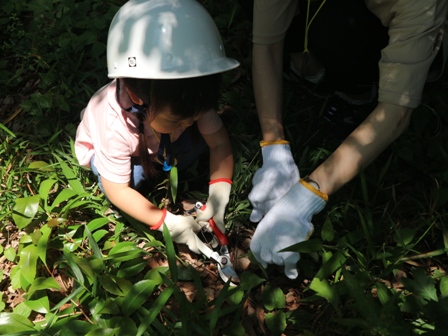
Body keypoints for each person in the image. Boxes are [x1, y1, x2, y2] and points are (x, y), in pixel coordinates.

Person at [247, 0, 448, 279]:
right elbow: (266, 46)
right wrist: (273, 147)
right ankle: (307, 60)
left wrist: (307, 196)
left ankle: (357, 89)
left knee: (340, 31)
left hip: (374, 30)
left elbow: (396, 111)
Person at [75, 0, 239, 254]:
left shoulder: (189, 95)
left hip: (158, 141)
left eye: (193, 117)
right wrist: (165, 221)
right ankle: (133, 167)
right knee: (133, 180)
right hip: (122, 151)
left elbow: (219, 142)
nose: (188, 122)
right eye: (178, 119)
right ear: (136, 96)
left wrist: (219, 196)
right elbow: (117, 190)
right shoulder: (113, 124)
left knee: (197, 142)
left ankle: (163, 159)